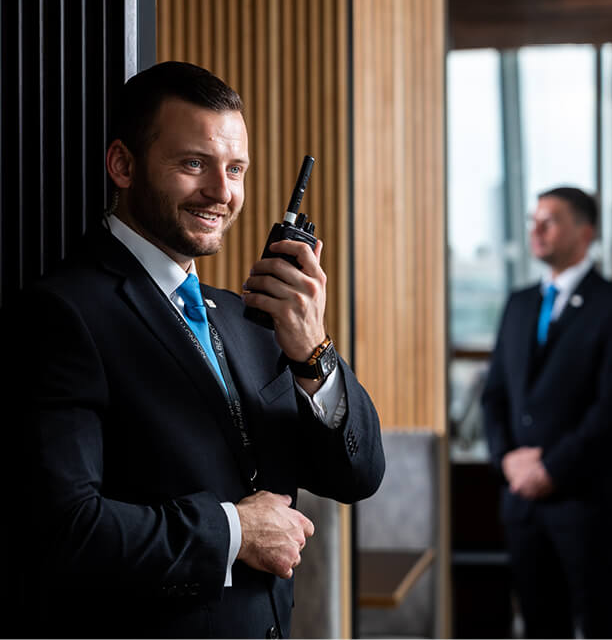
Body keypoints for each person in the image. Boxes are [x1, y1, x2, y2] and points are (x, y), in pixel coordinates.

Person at [5, 61, 384, 639]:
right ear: (123, 165)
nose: (222, 192)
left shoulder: (246, 317)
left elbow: (358, 475)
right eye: (193, 164)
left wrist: (314, 351)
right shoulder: (62, 314)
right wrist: (235, 531)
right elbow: (63, 530)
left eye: (236, 168)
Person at [482, 186, 612, 639]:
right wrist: (507, 461)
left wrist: (551, 467)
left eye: (549, 220)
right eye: (533, 219)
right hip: (523, 504)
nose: (535, 229)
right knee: (539, 625)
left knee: (604, 624)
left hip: (590, 503)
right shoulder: (519, 305)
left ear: (585, 231)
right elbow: (493, 395)